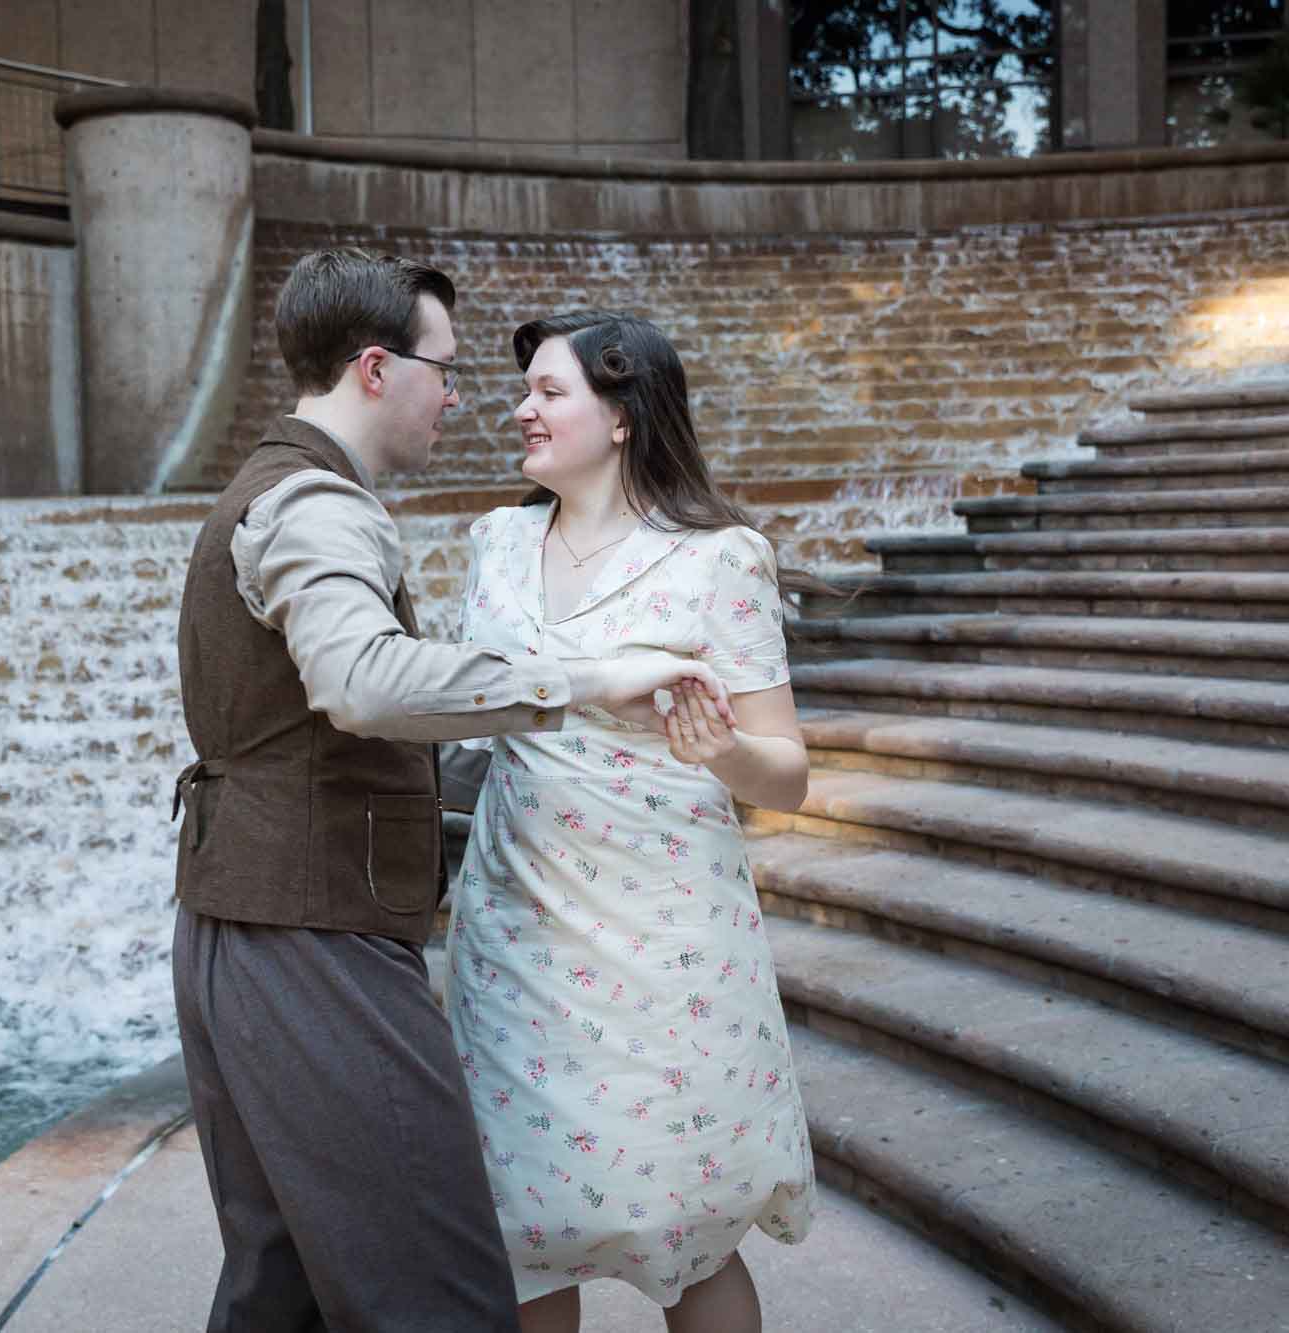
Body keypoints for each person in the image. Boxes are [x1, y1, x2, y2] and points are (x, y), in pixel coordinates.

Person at [170, 252, 736, 1333]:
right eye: (444, 368)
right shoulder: (319, 504)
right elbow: (362, 682)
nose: (460, 396)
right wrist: (585, 678)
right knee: (441, 1290)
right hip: (312, 940)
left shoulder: (271, 485)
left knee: (281, 1287)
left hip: (237, 920)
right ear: (376, 369)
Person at [445, 311, 818, 1333]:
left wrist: (723, 752)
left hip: (664, 944)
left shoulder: (720, 560)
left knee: (692, 1233)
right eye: (523, 390)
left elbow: (787, 775)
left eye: (548, 391)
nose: (521, 409)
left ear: (621, 416)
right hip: (514, 932)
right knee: (518, 1231)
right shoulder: (494, 543)